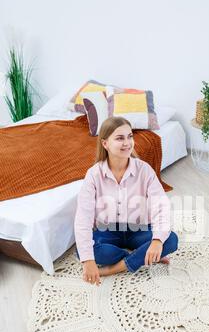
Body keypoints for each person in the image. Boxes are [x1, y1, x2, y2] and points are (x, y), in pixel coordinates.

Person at [74, 116, 178, 286]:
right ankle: (143, 257)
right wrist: (88, 261)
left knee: (170, 239)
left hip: (139, 229)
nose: (127, 143)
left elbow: (161, 206)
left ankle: (113, 269)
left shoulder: (144, 169)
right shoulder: (94, 174)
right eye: (120, 138)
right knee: (83, 252)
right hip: (107, 231)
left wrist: (158, 241)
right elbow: (83, 218)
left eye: (130, 136)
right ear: (105, 143)